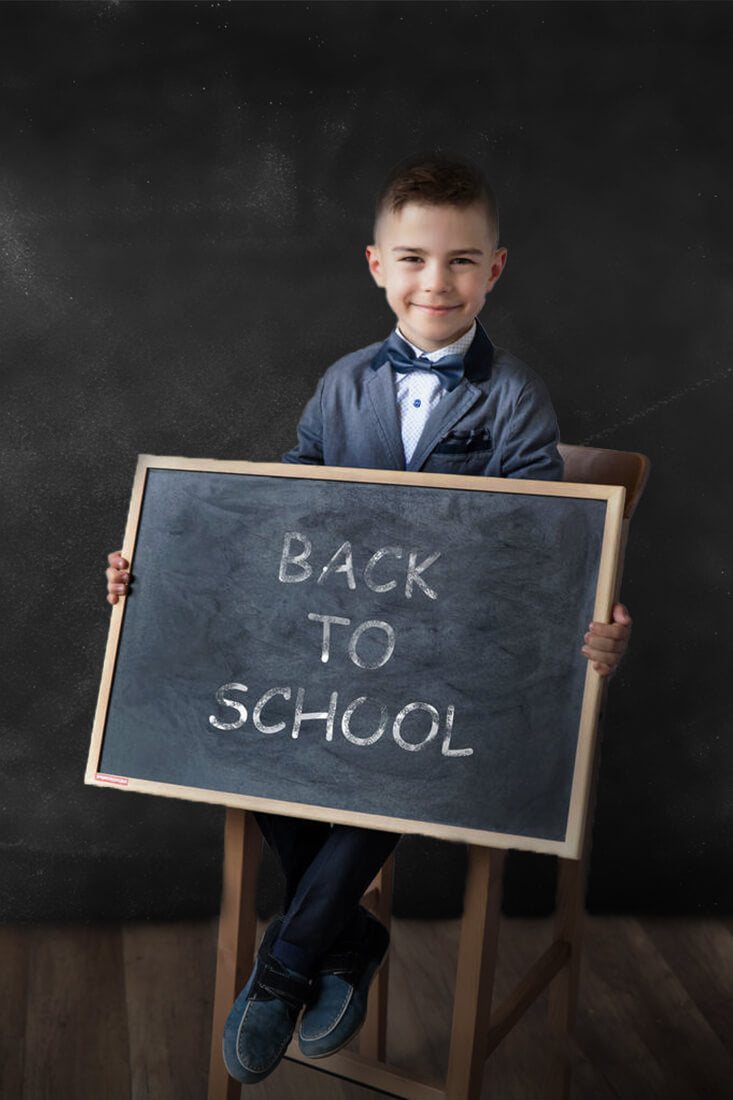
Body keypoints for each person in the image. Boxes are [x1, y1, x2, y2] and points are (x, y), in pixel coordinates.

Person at [105, 154, 632, 1084]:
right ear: (377, 265)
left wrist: (593, 624)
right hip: (329, 656)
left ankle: (286, 967)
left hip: (444, 676)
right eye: (416, 259)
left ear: (494, 270)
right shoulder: (342, 383)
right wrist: (162, 565)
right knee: (254, 742)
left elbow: (541, 554)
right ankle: (346, 939)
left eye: (462, 261)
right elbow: (284, 511)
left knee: (381, 763)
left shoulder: (512, 399)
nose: (438, 281)